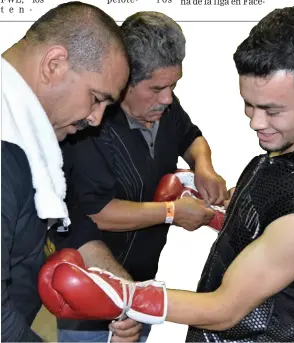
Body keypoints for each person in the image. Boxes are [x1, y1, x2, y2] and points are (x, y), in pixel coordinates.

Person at [39, 3, 294, 343]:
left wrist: (125, 296)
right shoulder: (292, 149)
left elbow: (223, 309)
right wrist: (215, 214)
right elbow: (268, 234)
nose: (255, 123)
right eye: (250, 104)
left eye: (272, 110)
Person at [55, 11, 227, 343]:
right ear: (123, 80)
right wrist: (172, 213)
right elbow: (95, 211)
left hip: (143, 277)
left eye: (173, 86)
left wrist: (205, 168)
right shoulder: (89, 125)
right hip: (94, 282)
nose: (168, 98)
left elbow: (191, 137)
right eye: (157, 88)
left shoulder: (164, 105)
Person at [1, 2, 130, 342]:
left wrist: (122, 290)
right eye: (96, 98)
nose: (96, 118)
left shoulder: (30, 134)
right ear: (54, 65)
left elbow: (63, 217)